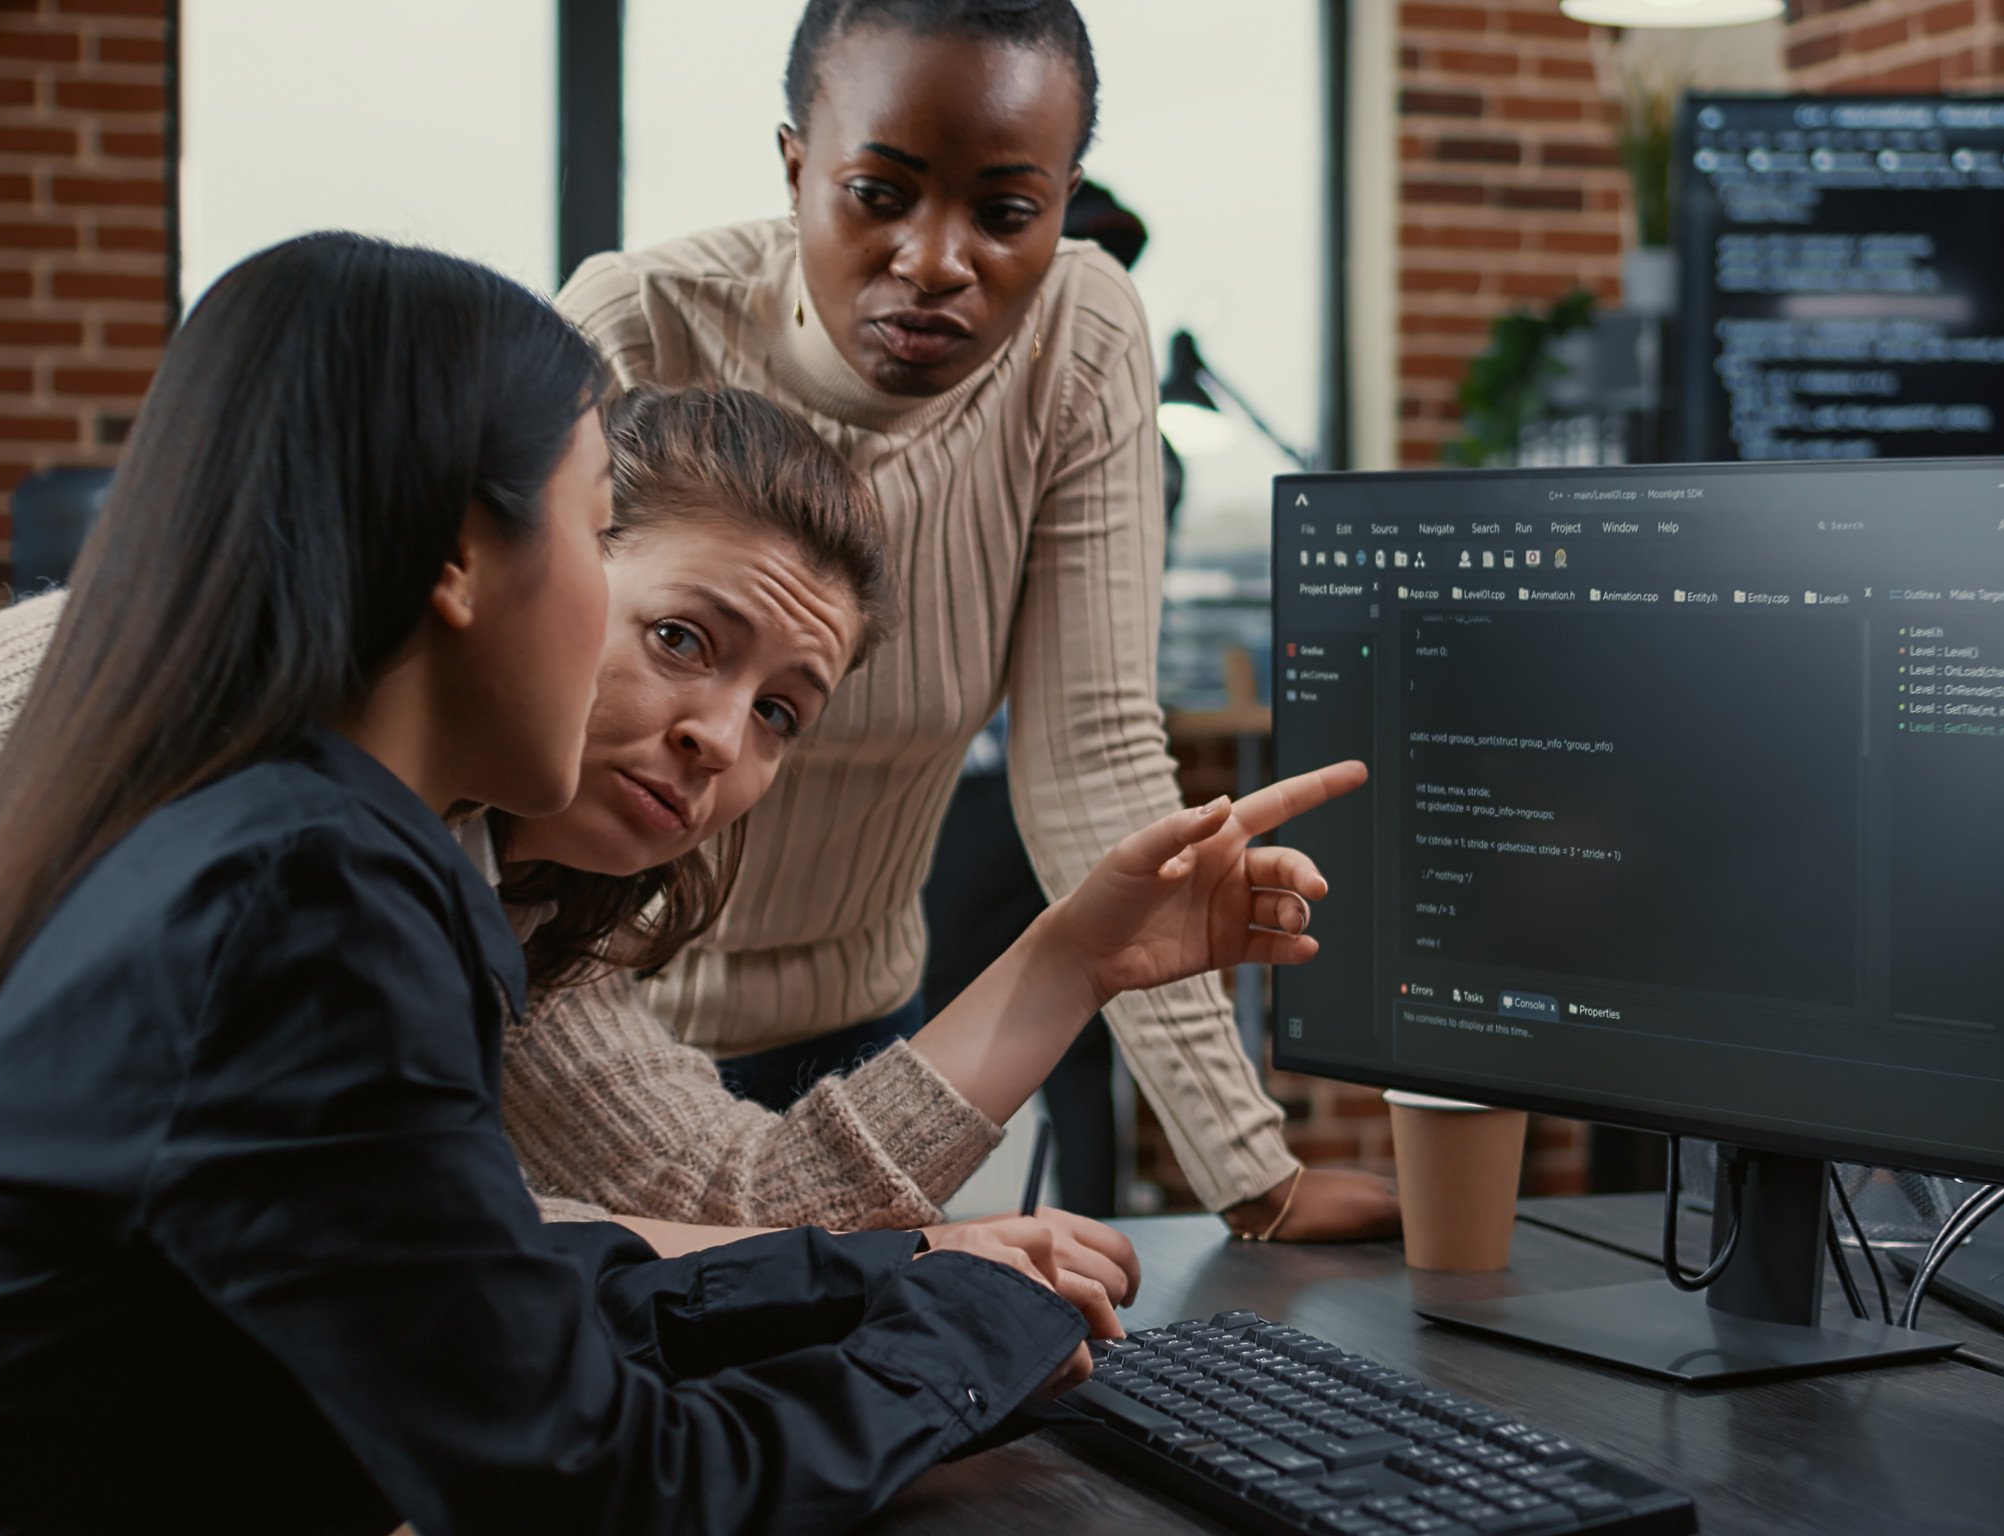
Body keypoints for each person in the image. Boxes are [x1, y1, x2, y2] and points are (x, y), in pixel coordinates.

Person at [0, 234, 1349, 1535]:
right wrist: (957, 1318)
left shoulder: (325, 827)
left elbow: (502, 1257)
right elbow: (585, 1473)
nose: (707, 739)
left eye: (778, 719)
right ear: (456, 555)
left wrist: (898, 1278)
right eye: (627, 577)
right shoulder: (274, 867)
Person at [0, 381, 1139, 1352]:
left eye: (778, 717)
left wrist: (1065, 958)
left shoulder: (469, 832)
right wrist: (901, 1271)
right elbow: (413, 1244)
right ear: (525, 574)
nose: (714, 743)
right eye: (679, 639)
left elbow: (727, 1199)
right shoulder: (271, 765)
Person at [551, 0, 1399, 1239]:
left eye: (1006, 214)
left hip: (859, 1032)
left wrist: (1246, 1168)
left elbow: (1092, 753)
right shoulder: (633, 325)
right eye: (878, 194)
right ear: (796, 168)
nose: (937, 260)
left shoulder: (1080, 334)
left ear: (1061, 204)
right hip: (585, 1028)